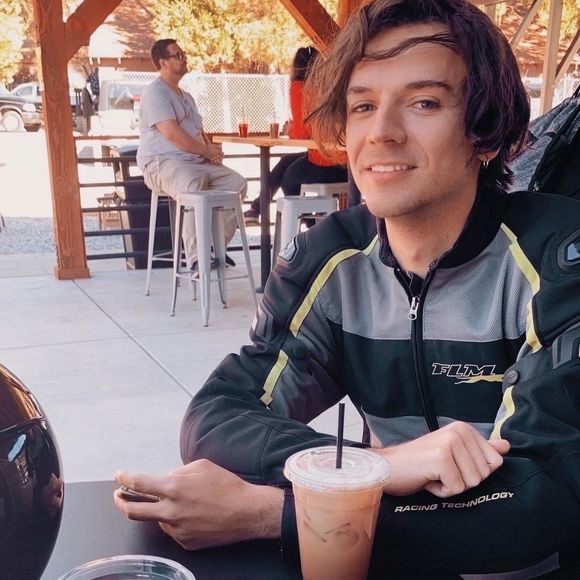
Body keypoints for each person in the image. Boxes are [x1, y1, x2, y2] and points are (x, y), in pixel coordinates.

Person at [114, 0, 580, 577]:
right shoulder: (330, 260)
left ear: (484, 133)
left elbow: (542, 497)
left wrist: (278, 513)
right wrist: (379, 468)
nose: (381, 132)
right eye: (362, 106)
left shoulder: (557, 259)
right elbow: (215, 419)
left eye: (424, 102)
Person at [137, 39, 247, 270]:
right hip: (163, 162)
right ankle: (197, 258)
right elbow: (172, 134)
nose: (184, 58)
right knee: (192, 183)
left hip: (196, 161)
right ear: (163, 63)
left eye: (183, 53)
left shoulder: (185, 96)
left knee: (237, 184)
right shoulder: (155, 93)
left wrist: (211, 152)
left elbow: (197, 130)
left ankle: (216, 248)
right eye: (178, 55)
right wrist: (205, 150)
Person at [243, 46, 348, 224]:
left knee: (288, 180)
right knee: (286, 161)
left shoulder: (300, 86)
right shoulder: (333, 86)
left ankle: (310, 226)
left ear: (296, 67)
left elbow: (301, 133)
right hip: (348, 167)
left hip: (325, 163)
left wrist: (291, 128)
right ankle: (257, 208)